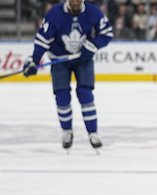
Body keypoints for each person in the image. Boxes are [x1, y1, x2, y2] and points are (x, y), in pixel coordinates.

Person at [23, 0, 112, 150]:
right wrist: (34, 60)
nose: (76, 2)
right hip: (59, 60)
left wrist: (93, 45)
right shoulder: (54, 14)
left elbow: (106, 33)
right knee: (62, 96)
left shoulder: (93, 12)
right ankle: (67, 131)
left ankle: (93, 132)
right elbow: (42, 40)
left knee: (85, 94)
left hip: (83, 59)